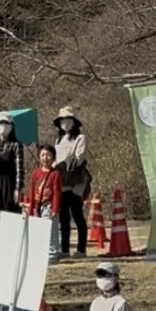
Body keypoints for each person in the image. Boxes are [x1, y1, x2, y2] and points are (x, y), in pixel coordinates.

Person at [52, 107, 90, 256]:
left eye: (68, 121)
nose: (65, 124)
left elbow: (79, 158)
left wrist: (61, 165)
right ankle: (65, 249)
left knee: (78, 216)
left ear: (74, 122)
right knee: (64, 218)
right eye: (63, 121)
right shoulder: (58, 140)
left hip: (75, 183)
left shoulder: (80, 138)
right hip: (60, 183)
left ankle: (81, 249)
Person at [25, 144, 62, 261]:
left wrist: (55, 208)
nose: (45, 158)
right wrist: (31, 208)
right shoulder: (35, 173)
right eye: (43, 155)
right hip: (37, 205)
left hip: (49, 205)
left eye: (48, 155)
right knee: (38, 230)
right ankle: (40, 252)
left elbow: (57, 192)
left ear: (53, 157)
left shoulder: (55, 174)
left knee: (51, 230)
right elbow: (31, 191)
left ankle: (53, 253)